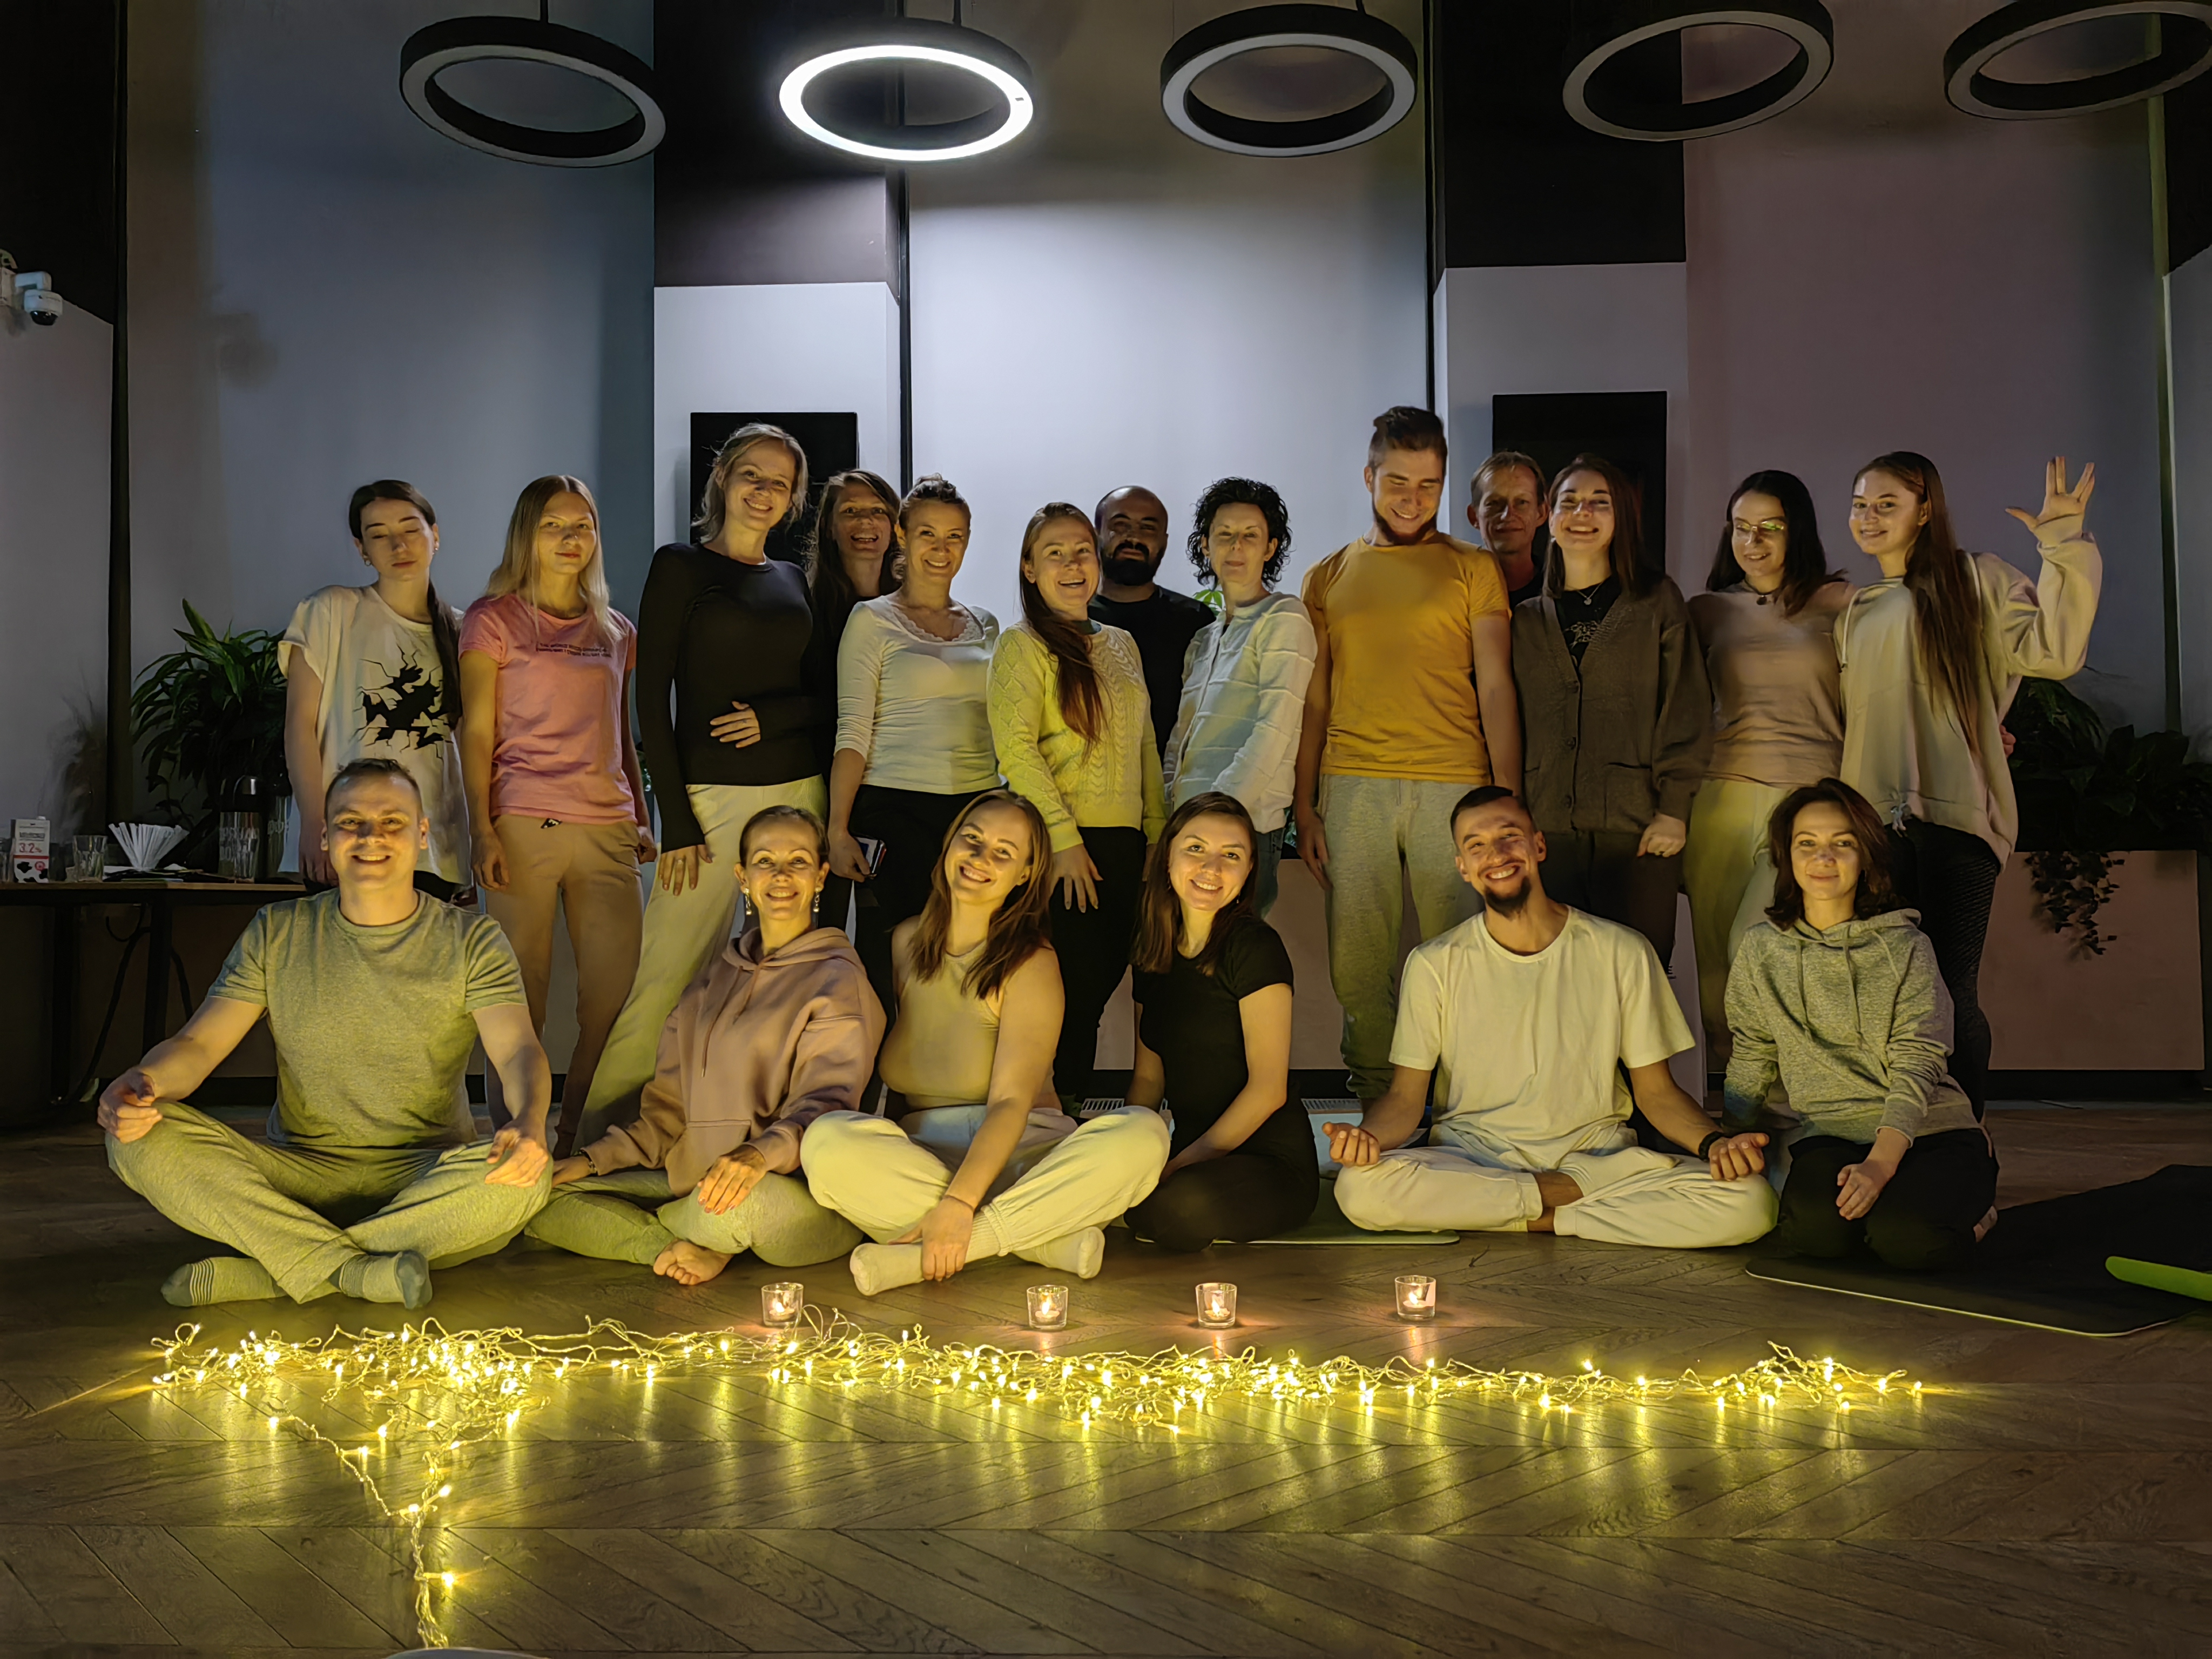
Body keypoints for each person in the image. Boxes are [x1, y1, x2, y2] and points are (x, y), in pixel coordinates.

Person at [99, 760, 553, 1309]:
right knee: (138, 1138)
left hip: (422, 1174)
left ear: (422, 834)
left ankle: (277, 1270)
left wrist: (530, 1124)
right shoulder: (278, 931)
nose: (370, 837)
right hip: (298, 1173)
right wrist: (143, 1081)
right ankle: (359, 1268)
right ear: (325, 837)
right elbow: (199, 1046)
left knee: (526, 1179)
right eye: (350, 822)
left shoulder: (472, 940)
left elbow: (517, 1051)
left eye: (392, 822)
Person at [1331, 787, 1777, 1246]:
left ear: (1538, 845)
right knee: (1359, 1190)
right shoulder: (1434, 963)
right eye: (1476, 845)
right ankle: (1565, 1210)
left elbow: (1657, 1093)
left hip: (1597, 1161)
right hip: (1473, 1160)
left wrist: (1715, 1142)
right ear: (1463, 867)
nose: (1496, 855)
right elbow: (1406, 1099)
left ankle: (1516, 1212)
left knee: (1750, 1202)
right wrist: (1365, 1138)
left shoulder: (1621, 951)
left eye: (1509, 836)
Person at [801, 791, 1170, 1294]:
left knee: (1144, 1133)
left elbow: (1011, 1102)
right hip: (926, 1158)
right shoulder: (905, 943)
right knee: (826, 1141)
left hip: (1027, 1156)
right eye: (972, 839)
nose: (980, 858)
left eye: (1003, 852)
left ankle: (952, 1244)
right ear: (950, 843)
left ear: (1025, 874)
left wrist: (958, 1204)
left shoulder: (1031, 962)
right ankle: (1040, 1241)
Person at [583, 424, 829, 1139]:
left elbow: (823, 698)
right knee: (666, 970)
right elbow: (648, 697)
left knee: (780, 970)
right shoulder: (680, 566)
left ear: (793, 499)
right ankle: (599, 1137)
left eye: (780, 483)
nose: (763, 492)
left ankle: (751, 1129)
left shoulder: (792, 580)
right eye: (751, 475)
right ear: (722, 476)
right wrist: (679, 820)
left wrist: (772, 718)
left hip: (799, 794)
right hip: (711, 801)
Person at [1836, 453, 2102, 1114]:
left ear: (1925, 510)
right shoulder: (1856, 610)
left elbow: (2053, 651)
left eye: (1886, 504)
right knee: (1885, 994)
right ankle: (1898, 1139)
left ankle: (1964, 1140)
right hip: (1873, 830)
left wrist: (2063, 543)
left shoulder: (1976, 579)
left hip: (1957, 823)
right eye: (1860, 505)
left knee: (1949, 991)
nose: (1868, 518)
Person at [528, 806, 879, 1285]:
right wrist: (592, 1161)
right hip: (696, 1184)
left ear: (820, 876)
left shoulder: (838, 980)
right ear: (742, 877)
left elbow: (826, 1110)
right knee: (541, 1197)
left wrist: (759, 1156)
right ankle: (673, 1245)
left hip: (787, 1191)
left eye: (797, 861)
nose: (780, 876)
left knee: (743, 1209)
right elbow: (666, 1116)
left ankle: (699, 1234)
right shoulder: (712, 981)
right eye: (765, 861)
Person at [1294, 406, 1520, 1103]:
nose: (1412, 498)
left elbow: (1496, 686)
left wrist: (1507, 800)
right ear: (1369, 478)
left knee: (1462, 954)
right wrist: (1304, 805)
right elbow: (1315, 703)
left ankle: (1459, 1103)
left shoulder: (1473, 568)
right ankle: (1376, 1100)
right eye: (1397, 481)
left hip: (1455, 785)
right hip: (1352, 784)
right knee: (1359, 964)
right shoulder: (1327, 576)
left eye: (1428, 485)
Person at [1725, 780, 1997, 1270]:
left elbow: (1919, 1060)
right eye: (1807, 843)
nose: (1823, 857)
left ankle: (1977, 1208)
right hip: (1830, 1133)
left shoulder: (1905, 947)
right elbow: (1753, 1049)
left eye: (1843, 843)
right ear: (1787, 856)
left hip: (1928, 1129)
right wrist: (1731, 1135)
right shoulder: (1762, 948)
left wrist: (1881, 1164)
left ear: (1866, 856)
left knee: (1909, 1242)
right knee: (1813, 1235)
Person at [458, 475, 653, 1145]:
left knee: (614, 998)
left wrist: (641, 814)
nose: (571, 538)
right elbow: (475, 733)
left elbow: (620, 731)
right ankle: (517, 1137)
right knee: (519, 998)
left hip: (608, 825)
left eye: (583, 526)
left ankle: (579, 1137)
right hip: (522, 822)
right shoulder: (492, 619)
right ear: (528, 535)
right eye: (554, 526)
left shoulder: (617, 631)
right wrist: (480, 829)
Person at [990, 503, 1166, 1106]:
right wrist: (1063, 841)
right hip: (1061, 848)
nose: (1072, 565)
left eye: (1082, 551)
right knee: (1065, 991)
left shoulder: (1122, 644)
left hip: (1125, 847)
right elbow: (1016, 751)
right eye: (1055, 554)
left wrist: (1157, 835)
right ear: (1029, 569)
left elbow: (1145, 744)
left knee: (1095, 990)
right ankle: (1042, 1112)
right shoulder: (1021, 645)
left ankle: (1066, 1113)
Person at [1512, 454, 1711, 966]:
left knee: (1637, 979)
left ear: (1621, 517)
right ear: (1549, 518)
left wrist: (1674, 810)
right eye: (1570, 502)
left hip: (1639, 831)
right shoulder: (1524, 620)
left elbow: (1685, 707)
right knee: (1557, 979)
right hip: (1548, 834)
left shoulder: (1656, 603)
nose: (1583, 513)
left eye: (1599, 503)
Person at [1684, 470, 1852, 1060]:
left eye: (1770, 528)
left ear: (1796, 531)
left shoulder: (1841, 604)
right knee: (1715, 967)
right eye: (1741, 527)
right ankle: (1732, 1095)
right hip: (1721, 799)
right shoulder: (1705, 611)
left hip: (1811, 802)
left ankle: (1788, 1087)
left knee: (1758, 948)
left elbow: (1899, 684)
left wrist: (1983, 726)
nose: (1752, 541)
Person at [827, 474, 1001, 1017]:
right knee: (899, 965)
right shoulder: (871, 620)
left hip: (975, 808)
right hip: (894, 807)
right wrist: (837, 828)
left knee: (971, 964)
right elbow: (853, 730)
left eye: (955, 537)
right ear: (902, 535)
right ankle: (890, 1070)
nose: (941, 549)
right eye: (928, 534)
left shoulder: (987, 625)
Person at [1123, 793, 1317, 1252]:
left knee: (1177, 1208)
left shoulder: (1254, 947)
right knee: (1102, 1183)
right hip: (1190, 1150)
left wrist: (1178, 1166)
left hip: (1268, 1163)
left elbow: (1268, 1090)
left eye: (1231, 856)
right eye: (1195, 848)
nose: (1211, 867)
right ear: (1167, 857)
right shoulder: (1153, 948)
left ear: (1249, 871)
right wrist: (1124, 1152)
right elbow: (1148, 1080)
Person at [282, 481, 469, 898]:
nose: (398, 545)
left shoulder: (466, 630)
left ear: (435, 535)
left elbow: (474, 743)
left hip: (434, 850)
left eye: (410, 529)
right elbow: (299, 727)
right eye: (379, 535)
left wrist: (474, 845)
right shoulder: (330, 611)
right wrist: (316, 822)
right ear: (361, 548)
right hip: (346, 839)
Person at [1161, 477, 1316, 918]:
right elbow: (1181, 736)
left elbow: (1275, 729)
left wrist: (1218, 818)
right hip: (1186, 825)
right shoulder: (1203, 639)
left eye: (1250, 535)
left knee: (1234, 950)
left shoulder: (1285, 617)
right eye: (1224, 534)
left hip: (1245, 826)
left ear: (1270, 548)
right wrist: (1171, 803)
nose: (1236, 546)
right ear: (1206, 545)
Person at [802, 467, 903, 938]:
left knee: (886, 934)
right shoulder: (803, 606)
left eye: (878, 511)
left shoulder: (913, 611)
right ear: (829, 526)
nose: (866, 523)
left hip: (893, 788)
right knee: (820, 933)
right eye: (851, 511)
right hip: (818, 786)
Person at [1090, 485, 1213, 760]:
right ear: (1096, 533)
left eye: (1148, 528)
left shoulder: (1196, 622)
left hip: (1173, 779)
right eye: (1120, 525)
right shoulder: (1067, 619)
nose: (1133, 538)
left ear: (1164, 543)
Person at [1468, 450, 1549, 610]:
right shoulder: (1455, 594)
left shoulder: (1562, 592)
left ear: (1541, 513)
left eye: (1522, 502)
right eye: (1494, 503)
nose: (1508, 515)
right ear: (1474, 516)